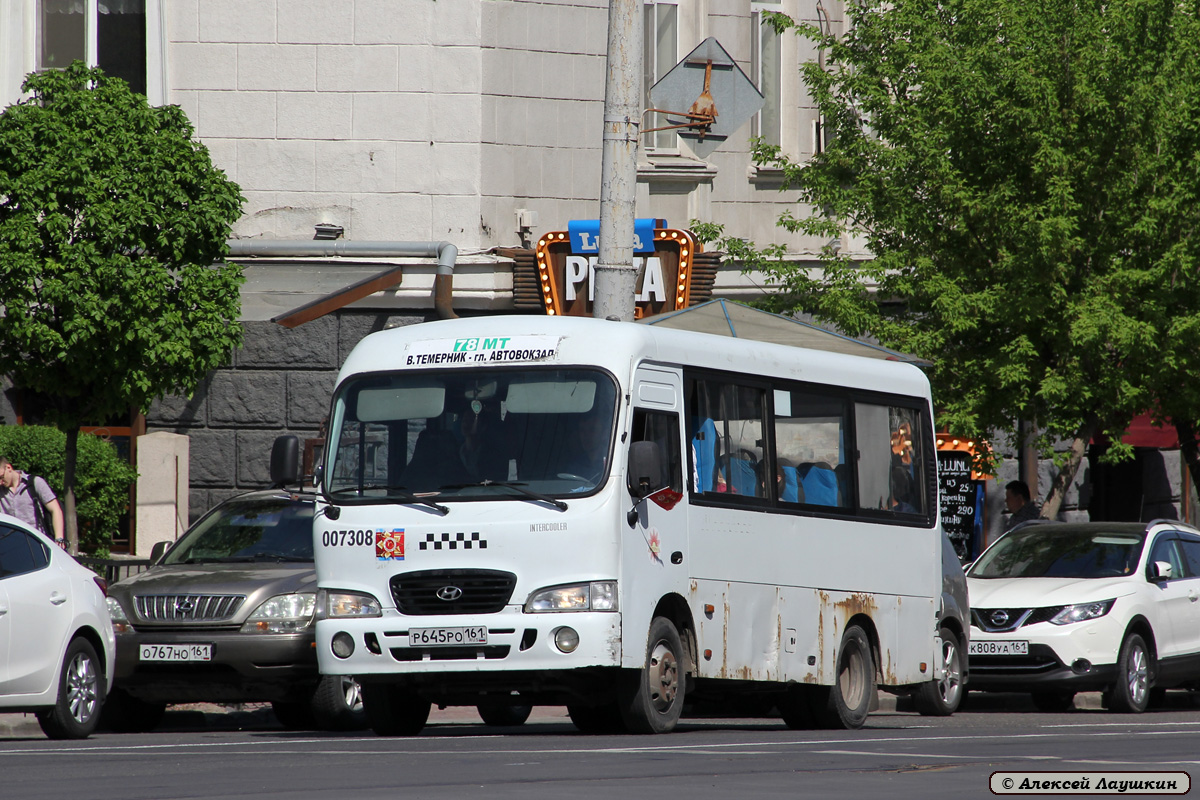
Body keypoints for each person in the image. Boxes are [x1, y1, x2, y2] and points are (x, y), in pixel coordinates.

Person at [0, 454, 65, 546]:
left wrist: (59, 539)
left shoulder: (35, 483)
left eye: (1, 477)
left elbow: (55, 509)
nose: (0, 482)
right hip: (10, 546)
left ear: (9, 467)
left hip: (36, 544)